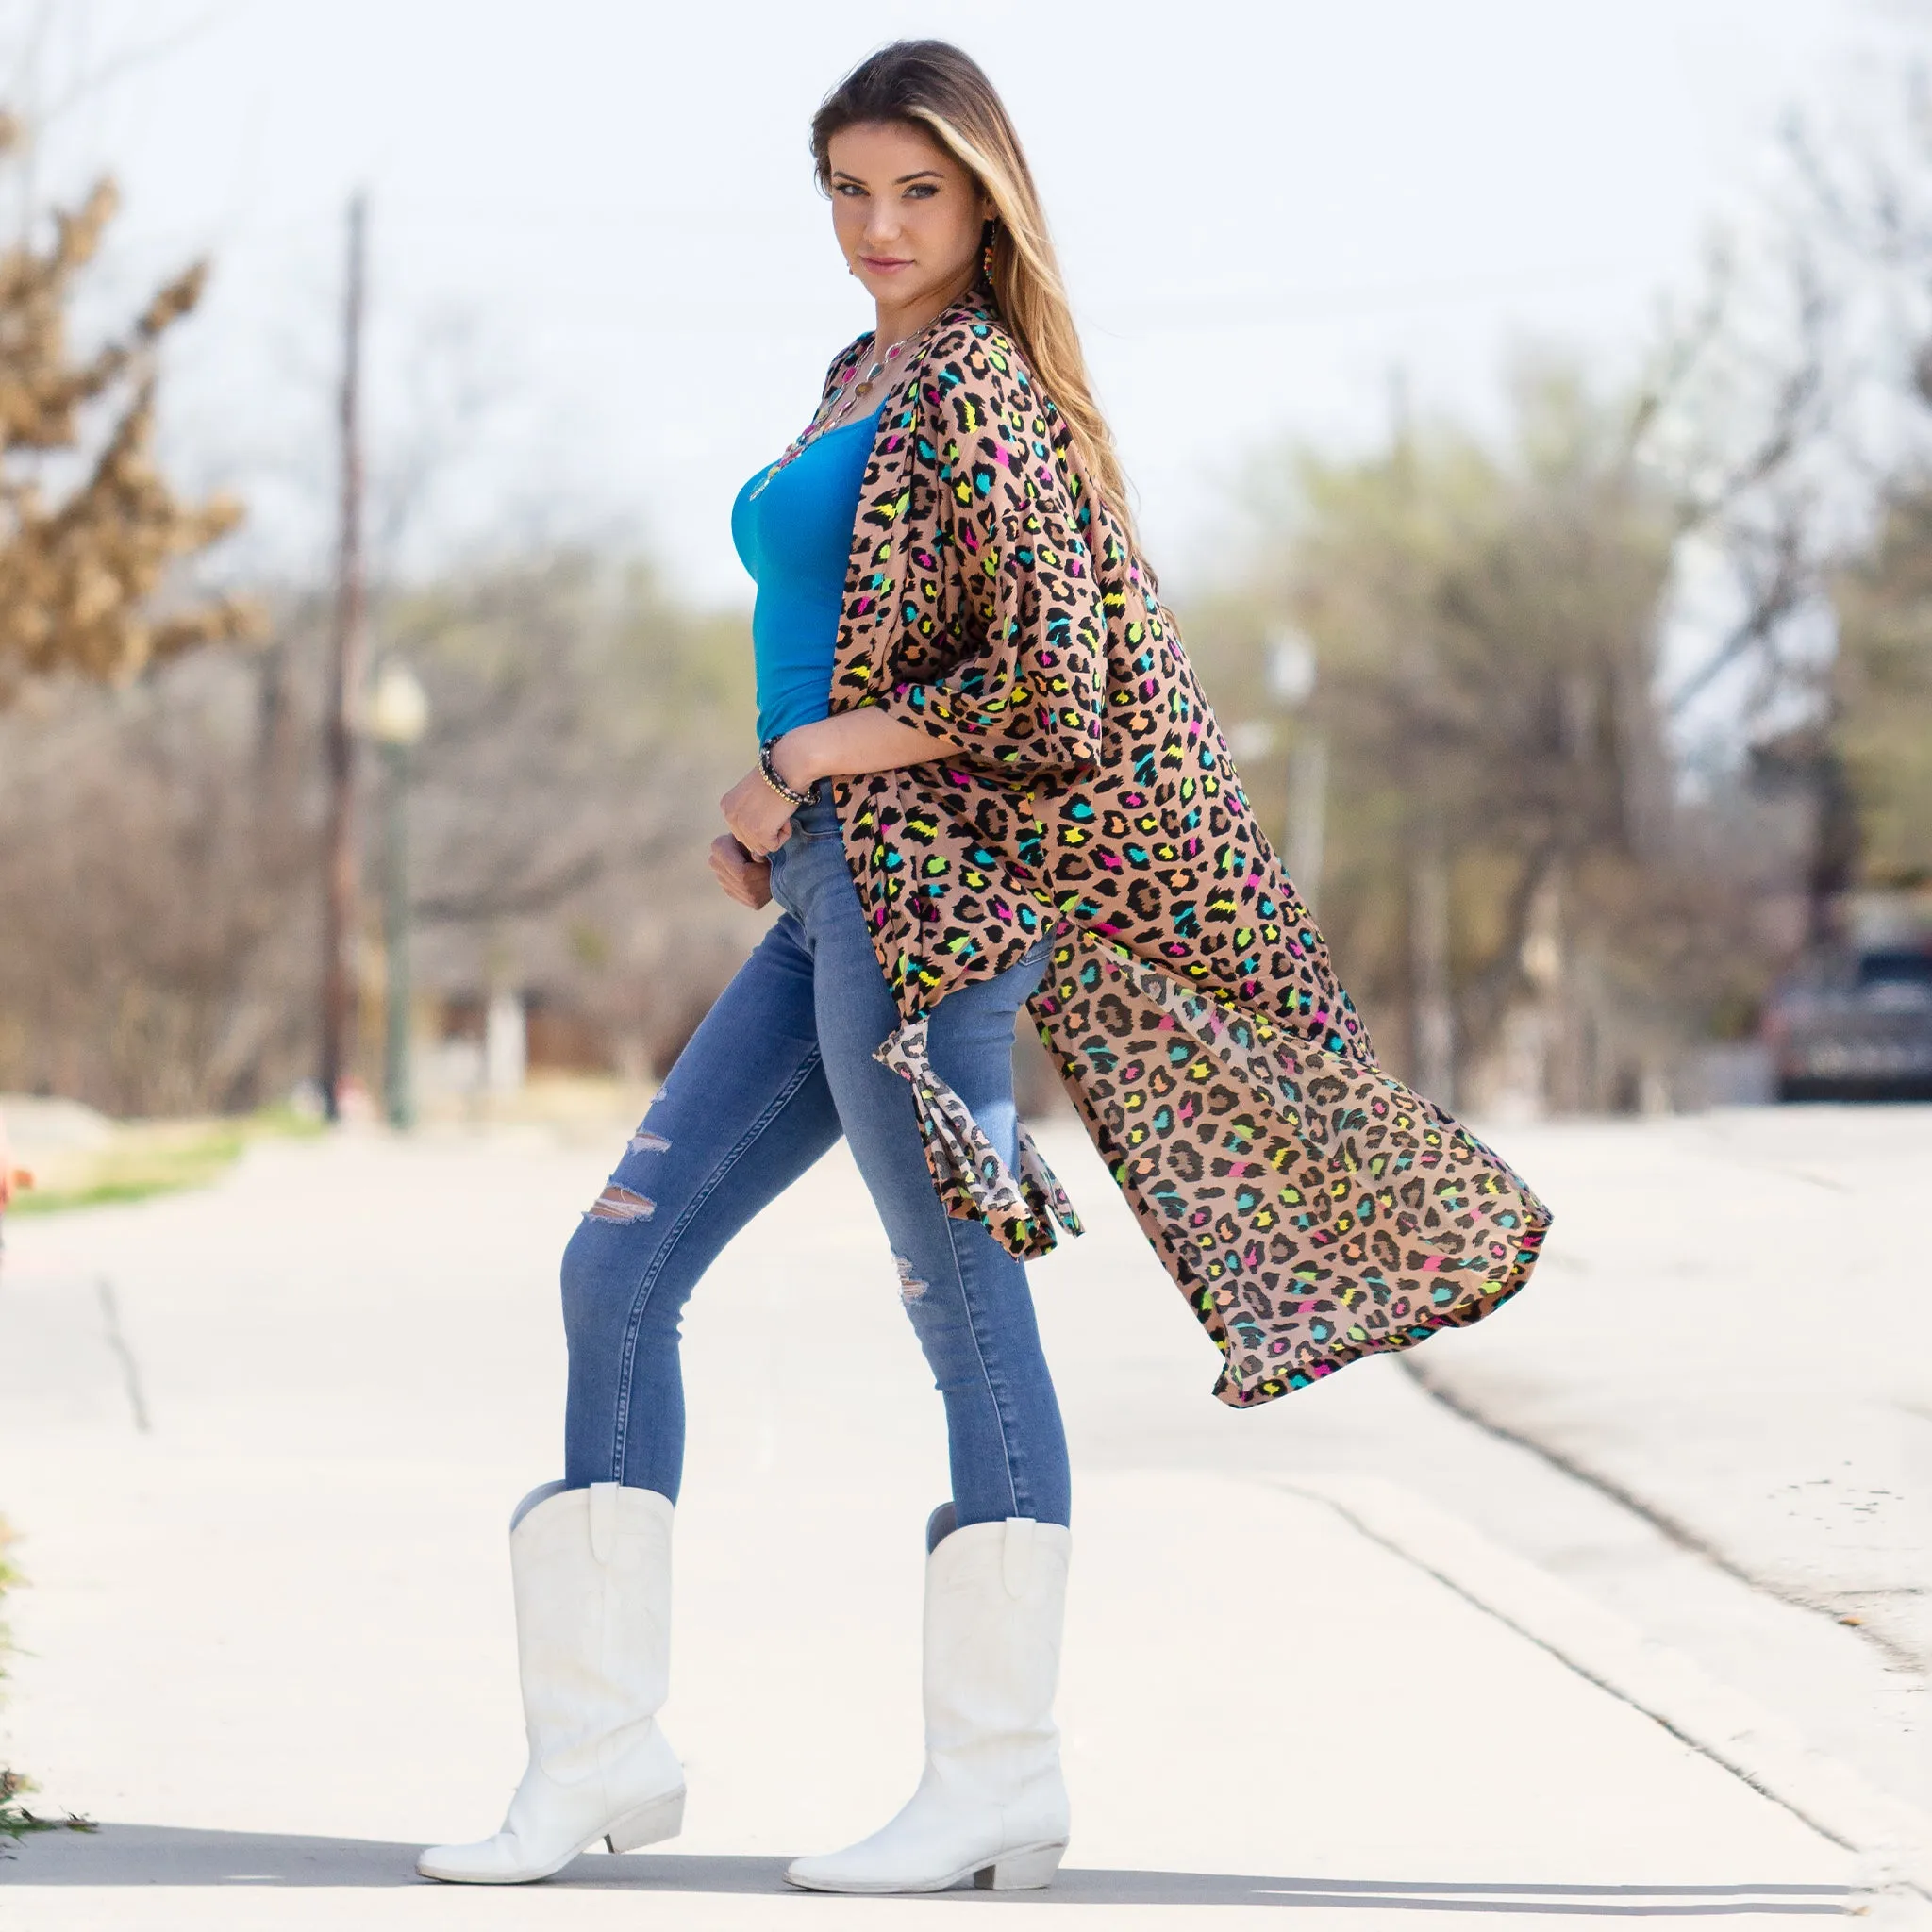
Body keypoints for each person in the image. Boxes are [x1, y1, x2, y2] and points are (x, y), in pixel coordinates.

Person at [418, 38, 1550, 1896]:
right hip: (832, 893)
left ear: (985, 197)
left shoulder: (982, 395)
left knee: (959, 1304)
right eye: (850, 192)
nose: (878, 227)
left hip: (939, 922)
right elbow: (847, 637)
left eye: (915, 192)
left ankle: (997, 1776)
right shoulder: (858, 373)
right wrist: (780, 802)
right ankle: (596, 1753)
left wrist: (801, 761)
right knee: (615, 1259)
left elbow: (1054, 691)